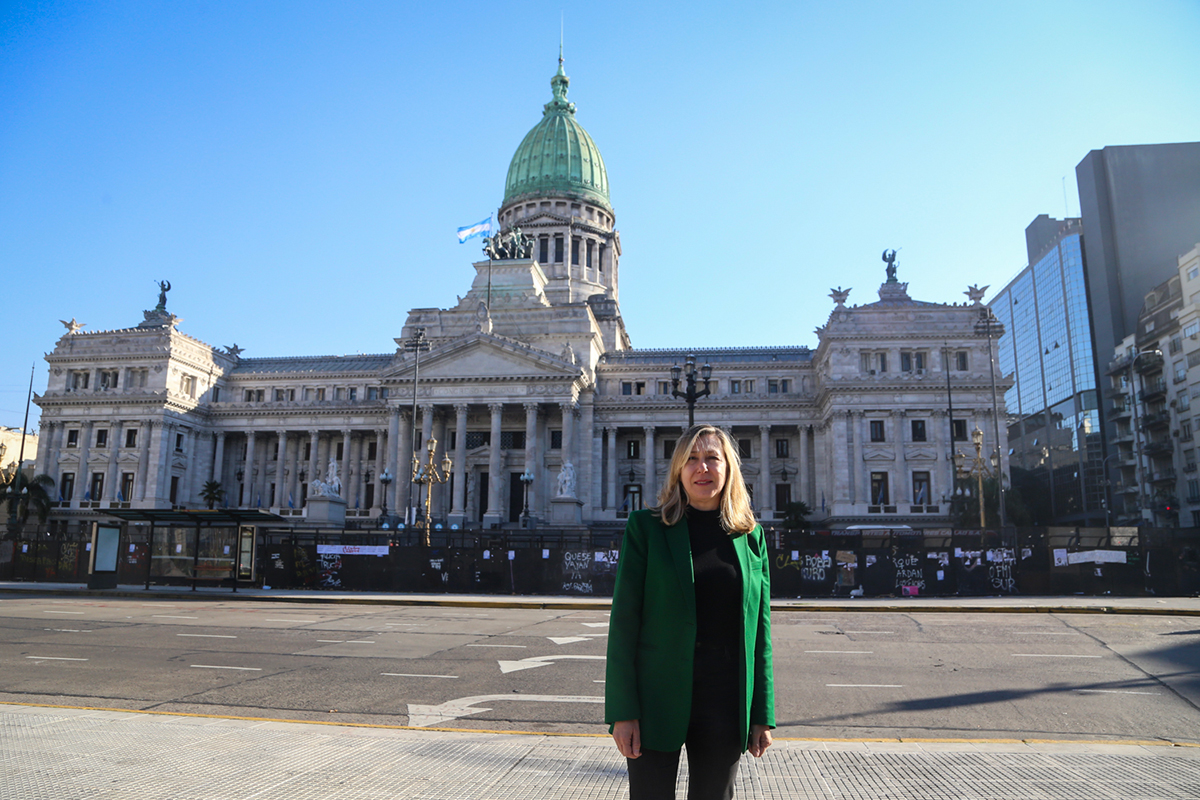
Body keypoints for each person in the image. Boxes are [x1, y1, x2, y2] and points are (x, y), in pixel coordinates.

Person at [605, 424, 775, 800]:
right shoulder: (646, 529)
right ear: (678, 471)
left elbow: (759, 633)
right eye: (691, 460)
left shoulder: (750, 536)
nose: (702, 468)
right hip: (655, 700)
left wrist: (762, 712)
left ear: (728, 468)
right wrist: (622, 711)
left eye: (712, 458)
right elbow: (624, 625)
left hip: (726, 701)